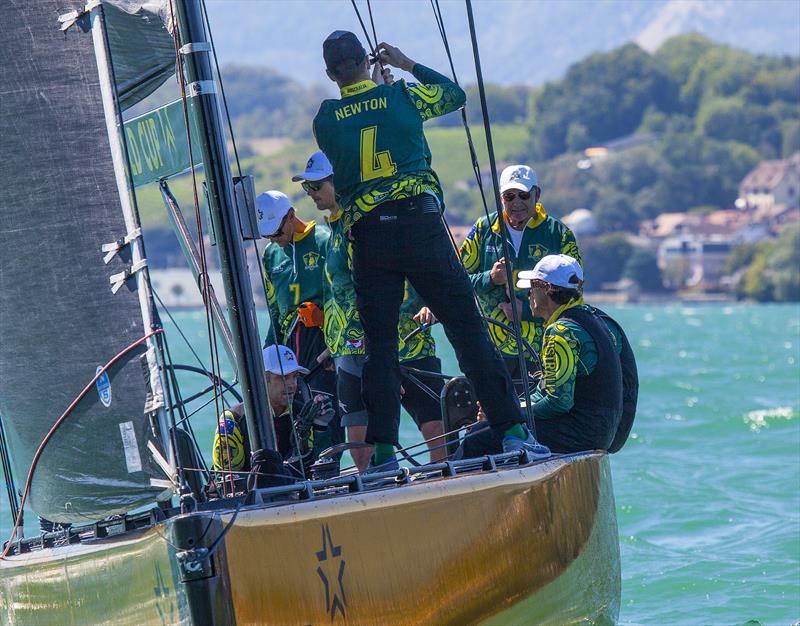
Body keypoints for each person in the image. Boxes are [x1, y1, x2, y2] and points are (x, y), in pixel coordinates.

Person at [313, 31, 548, 467]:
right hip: (418, 224)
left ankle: (384, 455)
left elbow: (360, 124)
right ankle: (513, 432)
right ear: (367, 61)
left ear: (330, 74)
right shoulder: (402, 98)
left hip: (369, 237)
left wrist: (376, 93)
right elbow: (453, 95)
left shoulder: (325, 119)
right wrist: (403, 66)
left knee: (380, 348)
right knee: (467, 330)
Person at [293, 151, 446, 469]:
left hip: (404, 342)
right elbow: (338, 293)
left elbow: (410, 264)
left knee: (436, 431)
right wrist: (332, 344)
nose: (312, 194)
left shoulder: (369, 220)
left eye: (317, 186)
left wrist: (429, 302)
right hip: (350, 353)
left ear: (340, 182)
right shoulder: (332, 230)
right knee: (361, 451)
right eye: (307, 188)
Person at [459, 255, 627, 457]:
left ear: (546, 289)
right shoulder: (594, 319)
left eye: (531, 287)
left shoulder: (561, 332)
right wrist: (503, 410)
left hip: (580, 435)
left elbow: (559, 402)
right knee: (490, 429)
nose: (528, 294)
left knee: (477, 439)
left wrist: (502, 416)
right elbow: (549, 392)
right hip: (599, 432)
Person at [459, 164, 582, 380]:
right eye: (509, 196)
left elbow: (575, 293)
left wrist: (525, 311)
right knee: (490, 413)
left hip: (544, 349)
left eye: (524, 195)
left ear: (537, 194)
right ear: (500, 198)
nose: (517, 203)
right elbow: (456, 282)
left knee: (536, 412)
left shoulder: (559, 234)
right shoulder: (482, 229)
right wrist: (490, 278)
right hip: (492, 351)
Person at [257, 190, 341, 455]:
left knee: (324, 415)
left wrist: (325, 321)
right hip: (288, 350)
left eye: (278, 234)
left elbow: (345, 298)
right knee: (291, 422)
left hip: (322, 347)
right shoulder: (271, 255)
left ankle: (328, 473)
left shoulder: (324, 242)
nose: (274, 240)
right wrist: (267, 353)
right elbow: (274, 311)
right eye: (268, 236)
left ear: (291, 216)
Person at [212, 345, 332, 491]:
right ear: (263, 379)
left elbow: (319, 469)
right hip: (249, 506)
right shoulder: (233, 420)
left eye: (295, 377)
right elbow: (225, 484)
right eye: (283, 378)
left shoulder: (303, 413)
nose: (292, 384)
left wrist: (321, 428)